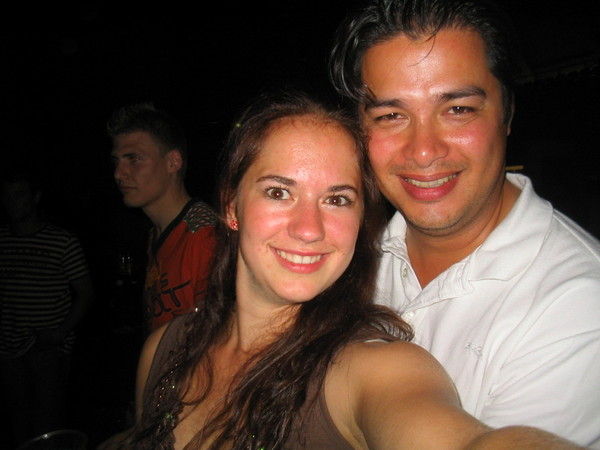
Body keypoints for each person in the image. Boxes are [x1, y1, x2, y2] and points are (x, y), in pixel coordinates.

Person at [101, 91, 581, 449]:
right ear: (231, 207)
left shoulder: (372, 369)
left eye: (337, 200)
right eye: (278, 192)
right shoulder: (162, 351)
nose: (309, 229)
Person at [329, 0, 600, 447]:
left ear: (507, 113)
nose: (423, 151)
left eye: (458, 109)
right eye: (391, 116)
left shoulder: (577, 311)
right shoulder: (341, 257)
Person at [0, 171, 94, 446]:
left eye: (19, 194)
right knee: (17, 422)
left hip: (45, 347)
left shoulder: (62, 241)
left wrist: (59, 333)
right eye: (7, 196)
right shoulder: (2, 239)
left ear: (35, 197)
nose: (12, 202)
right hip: (6, 347)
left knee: (47, 424)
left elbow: (86, 294)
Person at [108, 102, 217, 333]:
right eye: (116, 161)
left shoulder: (205, 235)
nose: (118, 174)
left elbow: (214, 334)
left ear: (173, 162)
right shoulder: (155, 235)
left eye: (133, 159)